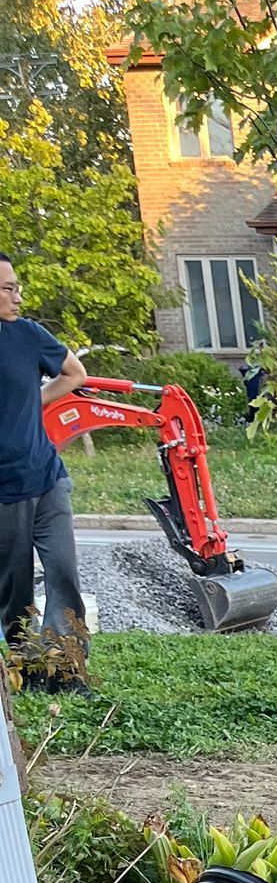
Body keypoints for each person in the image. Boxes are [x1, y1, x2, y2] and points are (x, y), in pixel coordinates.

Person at [0, 255, 88, 680]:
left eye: (17, 287)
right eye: (8, 289)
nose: (18, 297)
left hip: (47, 477)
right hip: (4, 491)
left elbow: (74, 374)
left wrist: (33, 402)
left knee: (63, 573)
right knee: (14, 591)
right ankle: (29, 672)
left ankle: (68, 671)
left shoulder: (29, 335)